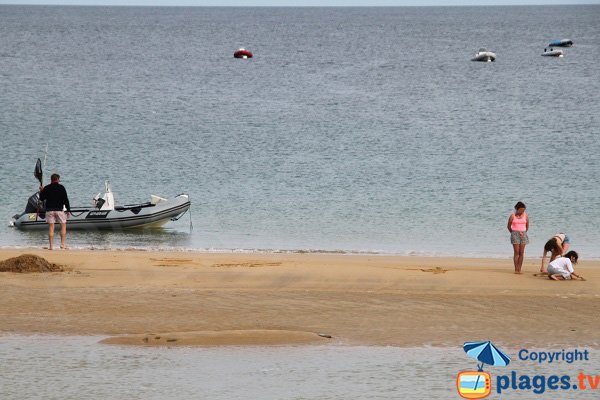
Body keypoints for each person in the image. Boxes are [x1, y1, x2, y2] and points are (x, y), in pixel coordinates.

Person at [39, 173, 71, 250]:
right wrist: (68, 210)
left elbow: (42, 198)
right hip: (59, 210)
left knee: (51, 227)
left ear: (51, 179)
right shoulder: (61, 187)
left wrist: (41, 191)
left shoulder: (46, 188)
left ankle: (51, 246)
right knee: (63, 226)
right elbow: (66, 199)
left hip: (49, 210)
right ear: (57, 179)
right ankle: (62, 245)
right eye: (59, 179)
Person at [507, 201, 529, 274]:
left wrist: (524, 232)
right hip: (515, 234)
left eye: (524, 210)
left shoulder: (525, 215)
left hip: (523, 234)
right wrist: (513, 233)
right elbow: (508, 226)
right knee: (516, 252)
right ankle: (516, 269)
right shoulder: (512, 216)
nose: (523, 211)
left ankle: (519, 269)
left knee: (521, 252)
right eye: (521, 210)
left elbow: (527, 226)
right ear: (517, 209)